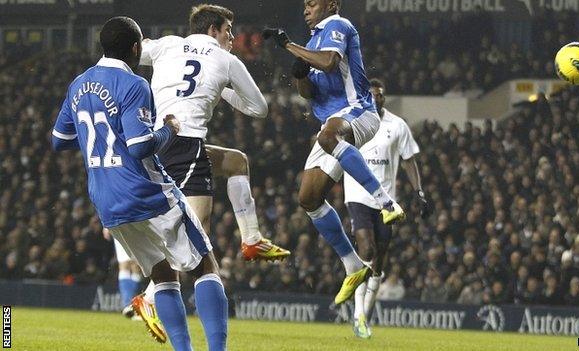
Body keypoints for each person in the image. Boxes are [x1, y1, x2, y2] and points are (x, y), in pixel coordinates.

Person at [51, 17, 227, 351]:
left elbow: (60, 140)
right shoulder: (134, 85)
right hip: (148, 192)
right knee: (205, 265)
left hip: (107, 202)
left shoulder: (78, 84)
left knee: (162, 274)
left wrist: (100, 141)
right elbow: (140, 146)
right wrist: (169, 129)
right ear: (136, 48)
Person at [132, 4, 291, 340]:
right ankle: (148, 297)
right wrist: (222, 88)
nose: (232, 38)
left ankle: (251, 239)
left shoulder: (166, 44)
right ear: (213, 29)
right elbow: (259, 109)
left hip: (154, 142)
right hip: (185, 144)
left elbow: (133, 49)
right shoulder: (225, 59)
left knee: (236, 161)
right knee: (196, 234)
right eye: (229, 31)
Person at [263, 0, 405, 305]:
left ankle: (386, 202)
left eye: (313, 3)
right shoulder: (314, 41)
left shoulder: (338, 26)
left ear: (332, 5)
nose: (306, 8)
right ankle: (353, 266)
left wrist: (288, 45)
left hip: (359, 112)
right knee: (308, 198)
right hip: (332, 123)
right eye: (304, 4)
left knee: (327, 136)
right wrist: (300, 73)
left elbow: (328, 62)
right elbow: (308, 93)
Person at [343, 79, 430, 338]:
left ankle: (365, 317)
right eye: (372, 95)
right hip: (358, 196)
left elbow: (409, 161)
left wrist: (419, 191)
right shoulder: (353, 122)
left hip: (387, 202)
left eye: (380, 95)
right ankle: (358, 314)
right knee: (366, 250)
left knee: (378, 262)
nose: (376, 99)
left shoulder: (397, 125)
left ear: (384, 98)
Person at [102, 228, 142, 318]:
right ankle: (128, 305)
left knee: (136, 266)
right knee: (125, 264)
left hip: (137, 225)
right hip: (120, 224)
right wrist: (106, 226)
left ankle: (134, 306)